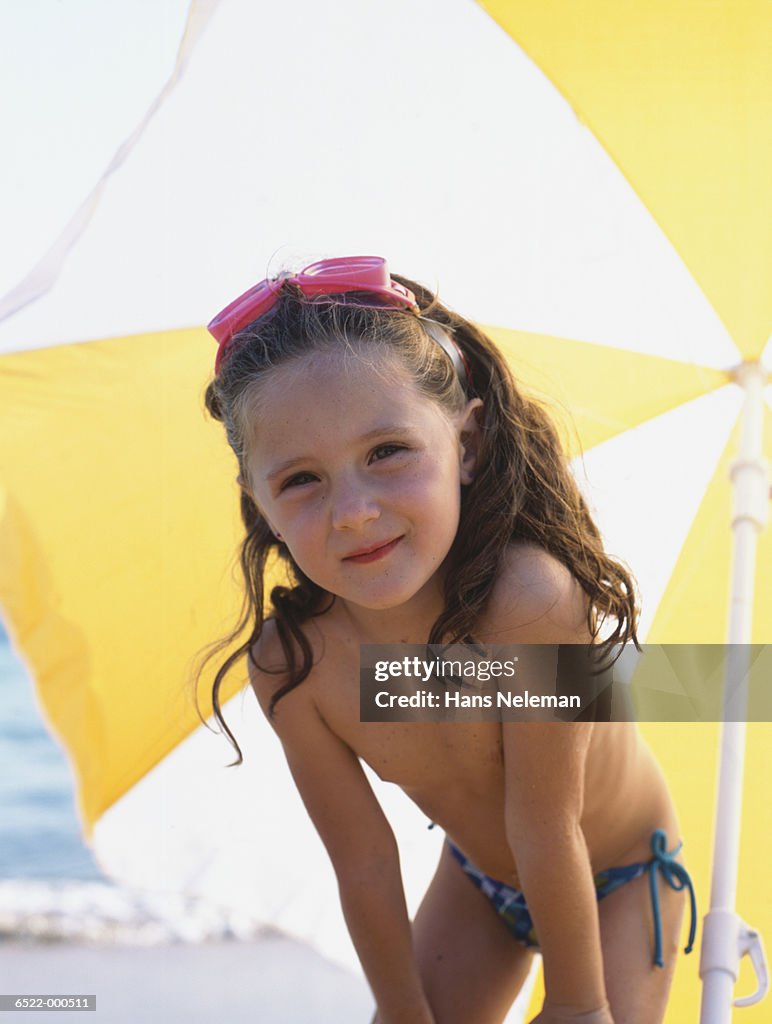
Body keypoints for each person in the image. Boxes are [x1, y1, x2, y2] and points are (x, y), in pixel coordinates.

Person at [201, 256, 696, 1024]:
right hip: (481, 881)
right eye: (301, 479)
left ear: (464, 443)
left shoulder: (526, 606)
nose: (354, 512)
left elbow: (546, 823)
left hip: (618, 874)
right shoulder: (297, 667)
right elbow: (364, 865)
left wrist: (576, 1004)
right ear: (258, 500)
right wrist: (403, 1013)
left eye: (386, 453)